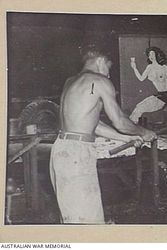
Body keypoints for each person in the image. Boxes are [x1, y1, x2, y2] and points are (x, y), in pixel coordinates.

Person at [49, 44, 157, 224]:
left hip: (61, 151)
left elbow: (93, 125)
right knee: (87, 223)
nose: (109, 73)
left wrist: (127, 138)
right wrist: (145, 132)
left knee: (72, 220)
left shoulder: (71, 82)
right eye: (109, 66)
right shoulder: (99, 82)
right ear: (100, 61)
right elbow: (120, 121)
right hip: (77, 156)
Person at [129, 47, 167, 123]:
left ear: (157, 54)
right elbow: (141, 78)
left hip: (164, 97)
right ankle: (130, 127)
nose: (151, 56)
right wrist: (134, 68)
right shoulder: (149, 67)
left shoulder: (164, 67)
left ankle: (130, 127)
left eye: (152, 54)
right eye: (149, 55)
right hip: (159, 96)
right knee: (139, 108)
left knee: (139, 108)